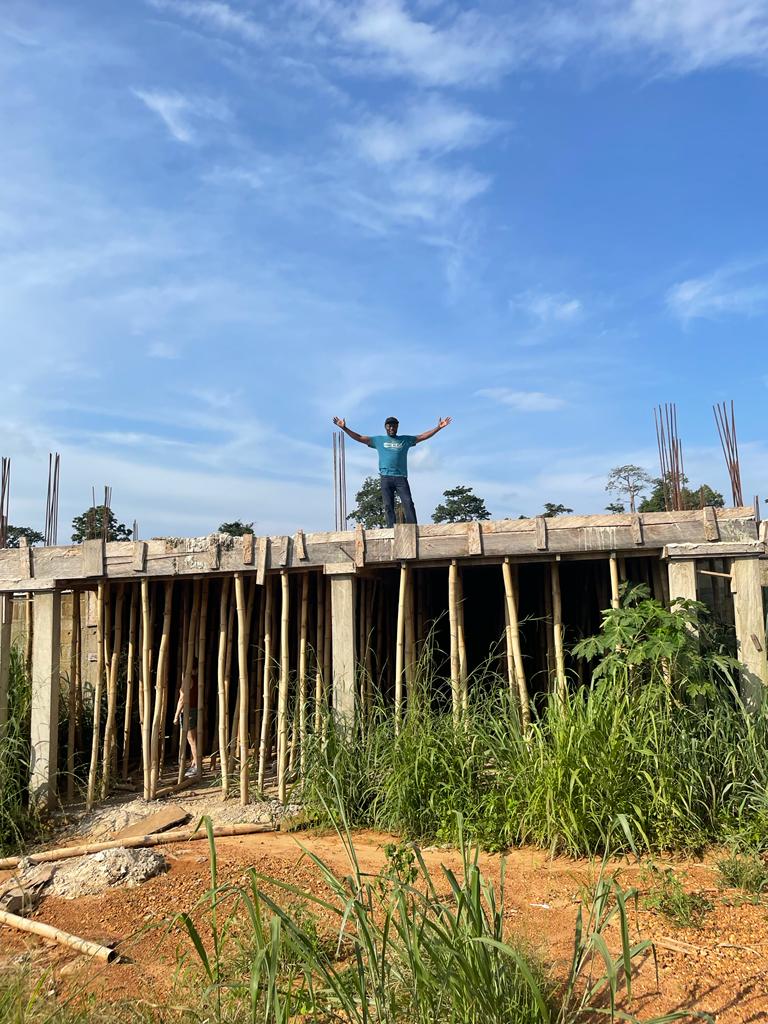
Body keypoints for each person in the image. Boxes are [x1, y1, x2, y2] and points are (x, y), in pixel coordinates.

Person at [333, 414, 452, 528]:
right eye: (389, 426)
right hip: (386, 477)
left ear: (397, 427)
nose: (391, 428)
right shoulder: (378, 440)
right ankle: (391, 529)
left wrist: (438, 428)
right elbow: (359, 437)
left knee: (408, 503)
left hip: (401, 477)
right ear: (385, 427)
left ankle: (413, 527)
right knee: (388, 505)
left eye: (394, 426)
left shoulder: (404, 440)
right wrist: (344, 428)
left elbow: (422, 436)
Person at [173, 661, 200, 778]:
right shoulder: (197, 678)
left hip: (188, 712)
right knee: (193, 739)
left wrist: (176, 715)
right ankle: (194, 763)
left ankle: (197, 766)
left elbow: (182, 699)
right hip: (194, 710)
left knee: (192, 740)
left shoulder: (188, 679)